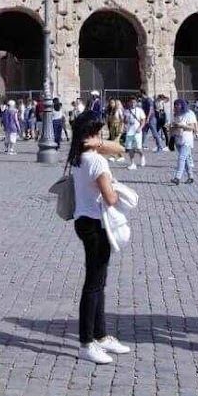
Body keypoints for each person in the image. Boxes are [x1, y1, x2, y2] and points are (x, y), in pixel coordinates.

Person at [66, 112, 131, 365]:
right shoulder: (97, 163)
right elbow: (111, 198)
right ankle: (86, 342)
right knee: (93, 284)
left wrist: (98, 145)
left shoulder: (78, 158)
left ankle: (101, 335)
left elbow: (119, 149)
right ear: (94, 133)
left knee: (99, 281)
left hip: (84, 221)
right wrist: (114, 186)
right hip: (97, 225)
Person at [170, 98, 198, 184]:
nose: (176, 106)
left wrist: (182, 126)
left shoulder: (189, 114)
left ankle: (177, 177)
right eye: (175, 105)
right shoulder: (175, 115)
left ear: (182, 105)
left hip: (186, 139)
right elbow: (171, 126)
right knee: (185, 159)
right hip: (178, 139)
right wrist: (172, 127)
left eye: (178, 104)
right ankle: (191, 177)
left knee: (181, 158)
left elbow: (192, 127)